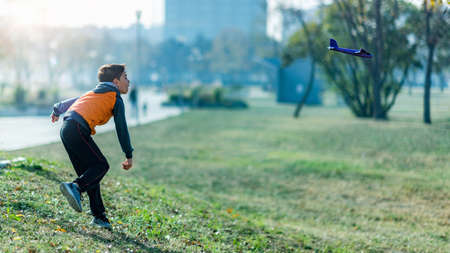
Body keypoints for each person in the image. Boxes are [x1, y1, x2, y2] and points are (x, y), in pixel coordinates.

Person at [51, 64, 134, 229]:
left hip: (67, 128)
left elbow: (75, 101)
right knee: (101, 165)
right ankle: (75, 187)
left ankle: (99, 217)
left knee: (89, 175)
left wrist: (57, 110)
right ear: (116, 81)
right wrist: (128, 154)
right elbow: (121, 128)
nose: (129, 81)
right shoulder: (114, 98)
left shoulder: (94, 92)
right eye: (125, 77)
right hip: (77, 128)